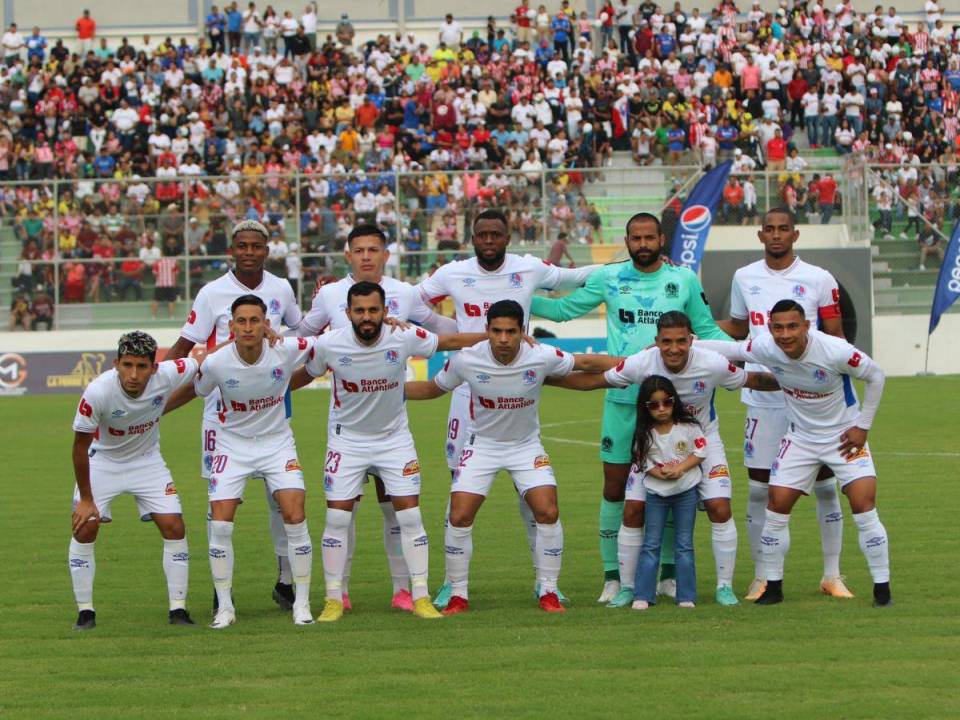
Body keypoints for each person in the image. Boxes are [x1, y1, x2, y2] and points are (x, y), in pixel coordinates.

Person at [530, 212, 730, 604]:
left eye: (649, 237)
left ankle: (669, 576)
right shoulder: (609, 277)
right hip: (623, 400)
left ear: (660, 240)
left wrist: (755, 351)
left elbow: (706, 331)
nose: (642, 244)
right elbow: (563, 311)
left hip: (671, 407)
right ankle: (613, 577)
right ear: (627, 240)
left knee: (675, 485)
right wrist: (516, 296)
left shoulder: (683, 280)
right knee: (615, 487)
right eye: (635, 238)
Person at [416, 209, 599, 608]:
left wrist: (620, 268)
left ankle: (545, 582)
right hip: (469, 389)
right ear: (471, 236)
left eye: (496, 234)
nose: (488, 241)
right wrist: (452, 334)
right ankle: (453, 583)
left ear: (508, 235)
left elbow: (574, 278)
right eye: (481, 234)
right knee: (459, 491)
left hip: (515, 379)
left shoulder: (529, 268)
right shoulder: (452, 272)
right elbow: (414, 302)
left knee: (530, 496)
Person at [404, 300, 622, 614]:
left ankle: (548, 590)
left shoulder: (541, 356)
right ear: (487, 331)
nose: (504, 339)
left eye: (511, 331)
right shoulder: (466, 361)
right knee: (459, 515)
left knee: (547, 510)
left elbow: (584, 365)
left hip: (525, 447)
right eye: (497, 331)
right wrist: (390, 388)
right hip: (482, 446)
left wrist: (635, 363)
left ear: (523, 331)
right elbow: (432, 389)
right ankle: (458, 594)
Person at [549, 311, 780, 606]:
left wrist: (796, 381)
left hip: (703, 441)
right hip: (653, 444)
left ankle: (724, 587)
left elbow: (754, 380)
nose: (674, 348)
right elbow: (595, 380)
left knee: (719, 507)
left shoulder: (711, 363)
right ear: (656, 342)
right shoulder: (642, 362)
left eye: (681, 341)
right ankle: (628, 588)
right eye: (667, 342)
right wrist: (544, 380)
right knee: (632, 511)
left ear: (691, 340)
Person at [291, 281, 485, 622]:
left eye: (373, 310)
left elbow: (450, 341)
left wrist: (496, 339)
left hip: (394, 440)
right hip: (346, 441)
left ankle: (421, 596)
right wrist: (264, 391)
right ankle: (334, 599)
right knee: (337, 518)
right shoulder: (330, 344)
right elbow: (305, 373)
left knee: (409, 517)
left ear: (385, 312)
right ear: (347, 313)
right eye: (360, 311)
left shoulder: (404, 336)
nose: (367, 317)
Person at [700, 300, 892, 608]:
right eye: (778, 327)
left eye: (792, 326)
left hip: (843, 437)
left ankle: (882, 589)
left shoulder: (835, 350)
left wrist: (862, 427)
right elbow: (734, 350)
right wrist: (691, 343)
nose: (785, 334)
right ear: (770, 329)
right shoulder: (766, 347)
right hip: (800, 438)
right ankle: (773, 587)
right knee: (776, 505)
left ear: (806, 326)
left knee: (863, 505)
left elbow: (876, 376)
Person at [164, 220, 302, 613]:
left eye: (255, 246)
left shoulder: (280, 288)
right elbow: (188, 343)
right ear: (232, 250)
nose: (248, 252)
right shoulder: (212, 293)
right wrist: (159, 381)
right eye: (241, 245)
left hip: (272, 406)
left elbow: (298, 330)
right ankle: (219, 586)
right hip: (221, 412)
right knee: (220, 502)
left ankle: (286, 579)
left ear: (266, 250)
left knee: (282, 500)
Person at [717, 207, 850, 601]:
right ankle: (762, 576)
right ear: (760, 236)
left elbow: (836, 334)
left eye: (783, 229)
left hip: (812, 400)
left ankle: (832, 575)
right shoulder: (744, 277)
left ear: (796, 234)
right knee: (760, 490)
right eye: (769, 230)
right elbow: (740, 328)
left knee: (826, 487)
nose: (776, 235)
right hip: (764, 397)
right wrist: (696, 327)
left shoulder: (820, 279)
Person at [194, 295, 317, 628]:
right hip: (232, 446)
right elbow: (200, 388)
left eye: (255, 320)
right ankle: (224, 607)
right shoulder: (217, 363)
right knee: (220, 524)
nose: (248, 327)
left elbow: (329, 343)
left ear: (266, 324)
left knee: (295, 514)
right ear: (231, 326)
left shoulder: (286, 350)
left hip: (277, 444)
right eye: (241, 321)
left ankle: (302, 605)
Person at [69, 332, 199, 630]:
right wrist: (87, 500)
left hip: (147, 461)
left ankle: (178, 610)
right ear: (116, 364)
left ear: (154, 367)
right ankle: (85, 612)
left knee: (174, 526)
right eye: (127, 365)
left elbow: (207, 359)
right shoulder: (97, 392)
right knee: (85, 527)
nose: (134, 374)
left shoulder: (169, 374)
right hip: (102, 462)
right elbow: (79, 447)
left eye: (142, 366)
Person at [628, 376, 706, 610]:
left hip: (686, 492)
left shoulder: (689, 427)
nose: (661, 409)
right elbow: (643, 461)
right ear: (645, 407)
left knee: (684, 544)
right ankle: (642, 594)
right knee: (651, 543)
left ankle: (686, 596)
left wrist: (680, 468)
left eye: (666, 402)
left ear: (674, 401)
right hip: (656, 494)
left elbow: (700, 451)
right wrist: (659, 474)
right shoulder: (644, 433)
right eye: (654, 405)